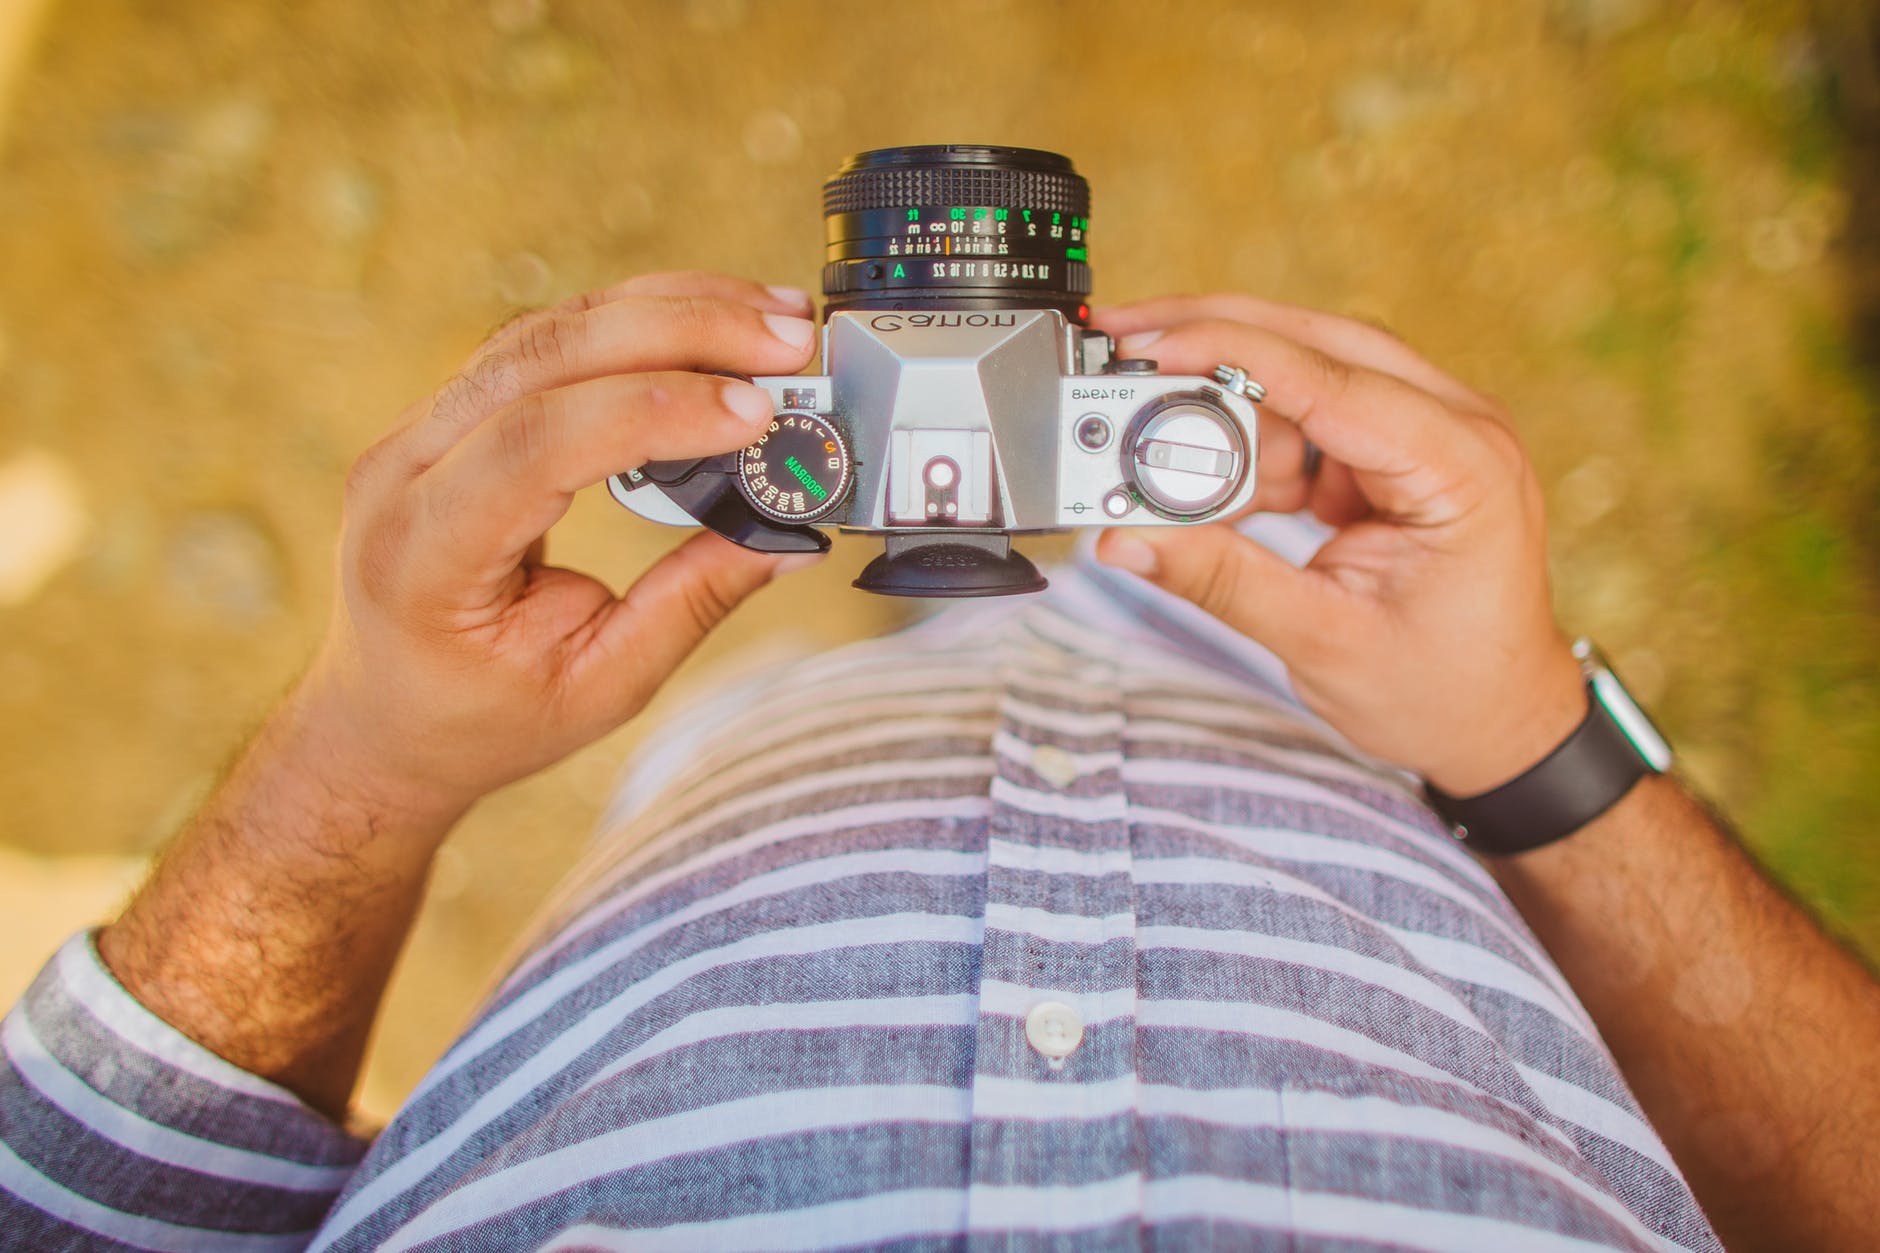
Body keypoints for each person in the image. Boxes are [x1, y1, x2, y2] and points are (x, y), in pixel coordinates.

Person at [1, 272, 1875, 1253]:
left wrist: (368, 755)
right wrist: (1527, 738)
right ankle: (995, 575)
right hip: (1318, 731)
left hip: (769, 769)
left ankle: (948, 578)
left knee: (840, 677)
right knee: (1136, 594)